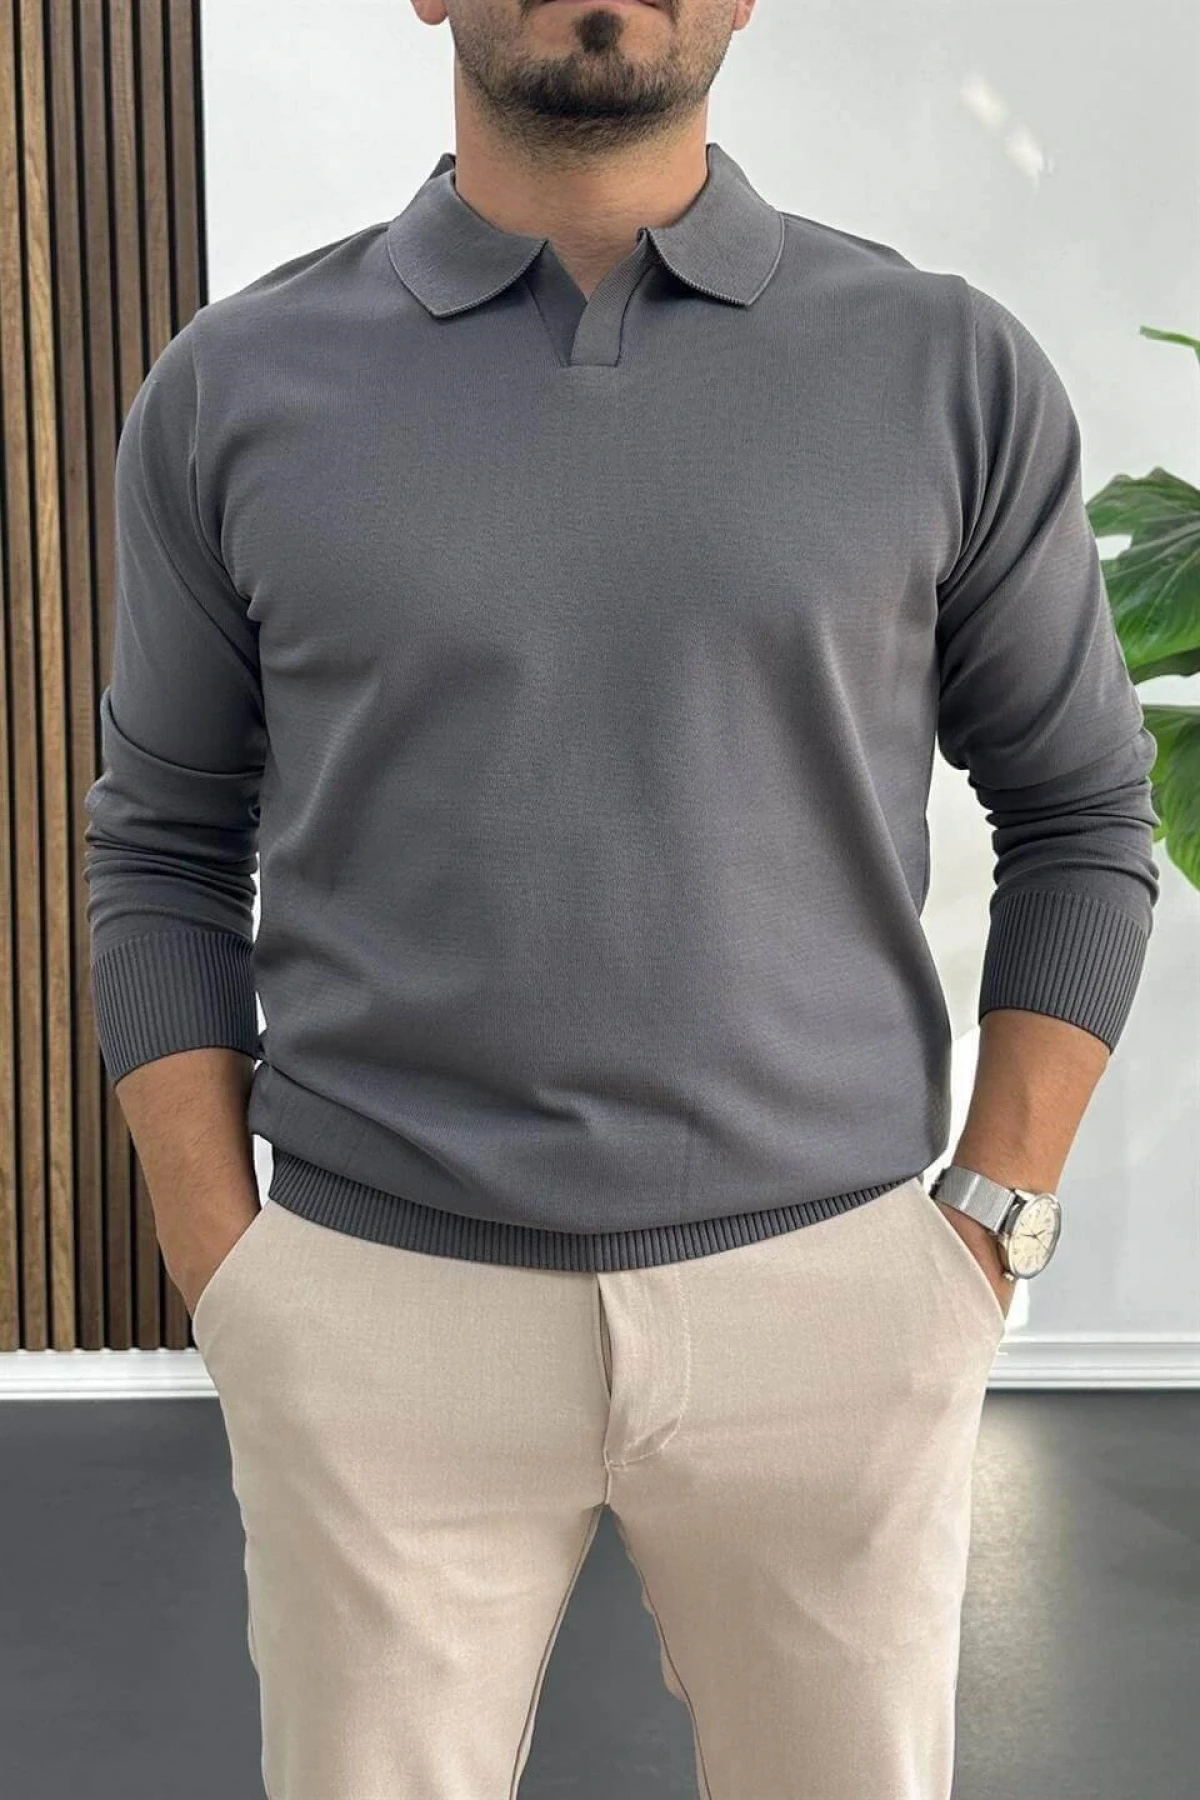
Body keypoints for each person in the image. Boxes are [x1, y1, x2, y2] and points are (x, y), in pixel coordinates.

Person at [83, 2, 1159, 1796]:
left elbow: (1082, 812)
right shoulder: (233, 386)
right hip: (376, 1302)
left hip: (835, 1302)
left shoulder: (943, 367)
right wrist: (237, 1281)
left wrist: (983, 1230)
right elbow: (163, 845)